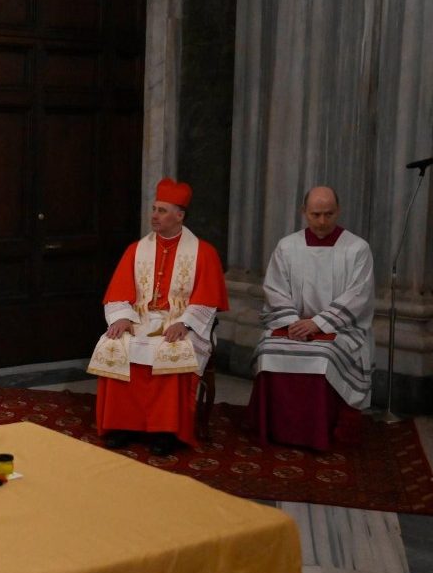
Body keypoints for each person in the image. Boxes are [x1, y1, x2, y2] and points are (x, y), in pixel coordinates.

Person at [87, 179, 230, 455]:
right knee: (115, 343)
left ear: (180, 215)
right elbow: (118, 292)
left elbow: (207, 299)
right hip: (140, 318)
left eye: (162, 210)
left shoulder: (205, 253)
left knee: (171, 348)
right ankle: (122, 426)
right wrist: (121, 317)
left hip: (180, 321)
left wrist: (185, 322)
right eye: (154, 209)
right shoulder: (136, 250)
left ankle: (165, 432)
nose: (154, 215)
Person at [248, 186, 375, 451]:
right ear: (303, 212)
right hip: (292, 323)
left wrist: (317, 323)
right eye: (315, 214)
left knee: (324, 357)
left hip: (340, 328)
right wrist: (295, 322)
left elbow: (358, 295)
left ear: (338, 211)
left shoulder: (357, 249)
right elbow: (275, 290)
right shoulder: (287, 246)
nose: (322, 221)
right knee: (268, 350)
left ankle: (319, 434)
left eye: (329, 214)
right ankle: (274, 429)